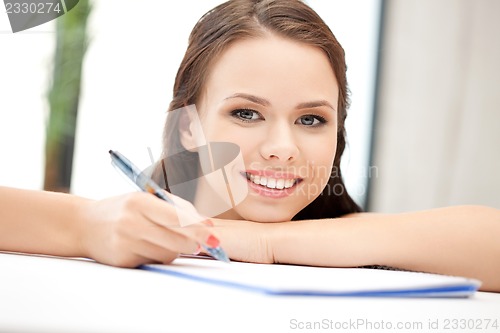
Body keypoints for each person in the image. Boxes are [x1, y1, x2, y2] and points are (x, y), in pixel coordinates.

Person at [1, 0, 499, 292]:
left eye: (311, 119)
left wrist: (256, 243)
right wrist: (86, 225)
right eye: (246, 113)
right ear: (189, 126)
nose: (283, 148)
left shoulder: (351, 237)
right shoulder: (127, 230)